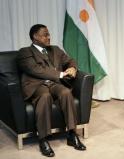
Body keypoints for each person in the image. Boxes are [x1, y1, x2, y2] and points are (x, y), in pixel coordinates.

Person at [17, 24, 86, 157]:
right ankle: (43, 139)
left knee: (66, 92)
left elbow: (70, 60)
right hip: (37, 85)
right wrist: (60, 74)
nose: (49, 37)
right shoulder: (25, 52)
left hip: (54, 83)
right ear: (35, 37)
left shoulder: (55, 50)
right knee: (45, 96)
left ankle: (72, 134)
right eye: (45, 34)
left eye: (49, 34)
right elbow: (36, 70)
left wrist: (72, 68)